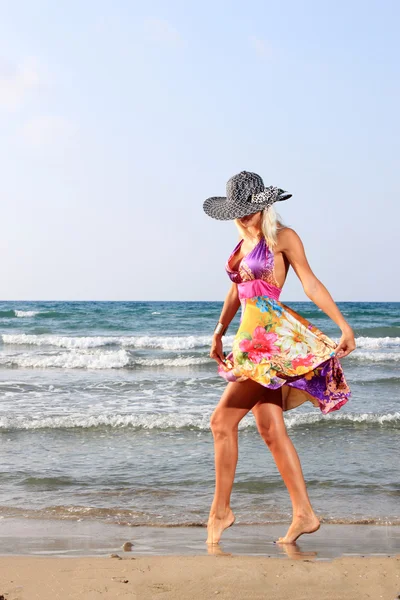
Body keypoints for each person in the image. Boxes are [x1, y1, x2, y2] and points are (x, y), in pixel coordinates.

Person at [202, 171, 356, 546]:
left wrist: (344, 326)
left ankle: (221, 511)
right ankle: (304, 513)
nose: (242, 217)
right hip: (247, 343)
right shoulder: (241, 246)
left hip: (269, 344)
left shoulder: (282, 238)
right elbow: (236, 292)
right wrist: (220, 329)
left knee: (221, 422)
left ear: (263, 205)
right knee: (271, 430)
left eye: (249, 210)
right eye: (236, 212)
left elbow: (311, 283)